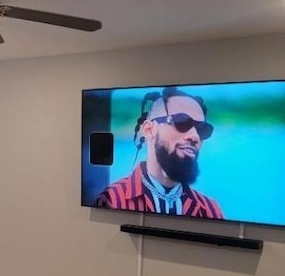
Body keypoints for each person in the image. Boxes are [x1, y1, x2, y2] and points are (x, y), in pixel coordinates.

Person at [94, 86, 224, 218]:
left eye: (202, 129)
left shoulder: (209, 210)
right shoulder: (113, 199)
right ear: (149, 129)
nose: (195, 136)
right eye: (182, 122)